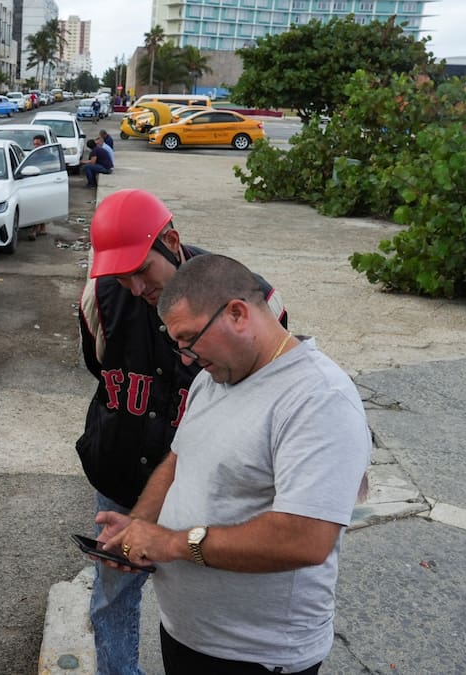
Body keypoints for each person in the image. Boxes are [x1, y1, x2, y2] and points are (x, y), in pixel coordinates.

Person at [97, 254, 370, 675]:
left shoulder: (318, 399)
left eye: (189, 339)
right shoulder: (216, 375)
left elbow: (305, 539)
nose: (185, 358)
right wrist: (138, 528)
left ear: (237, 313)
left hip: (255, 656)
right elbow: (178, 459)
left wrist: (171, 544)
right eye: (176, 343)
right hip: (188, 636)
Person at [76, 190, 287, 675]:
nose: (132, 286)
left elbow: (263, 393)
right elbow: (99, 368)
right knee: (113, 597)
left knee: (208, 602)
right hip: (122, 475)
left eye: (142, 270)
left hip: (203, 482)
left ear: (171, 241)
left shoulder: (250, 301)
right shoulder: (101, 298)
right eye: (119, 274)